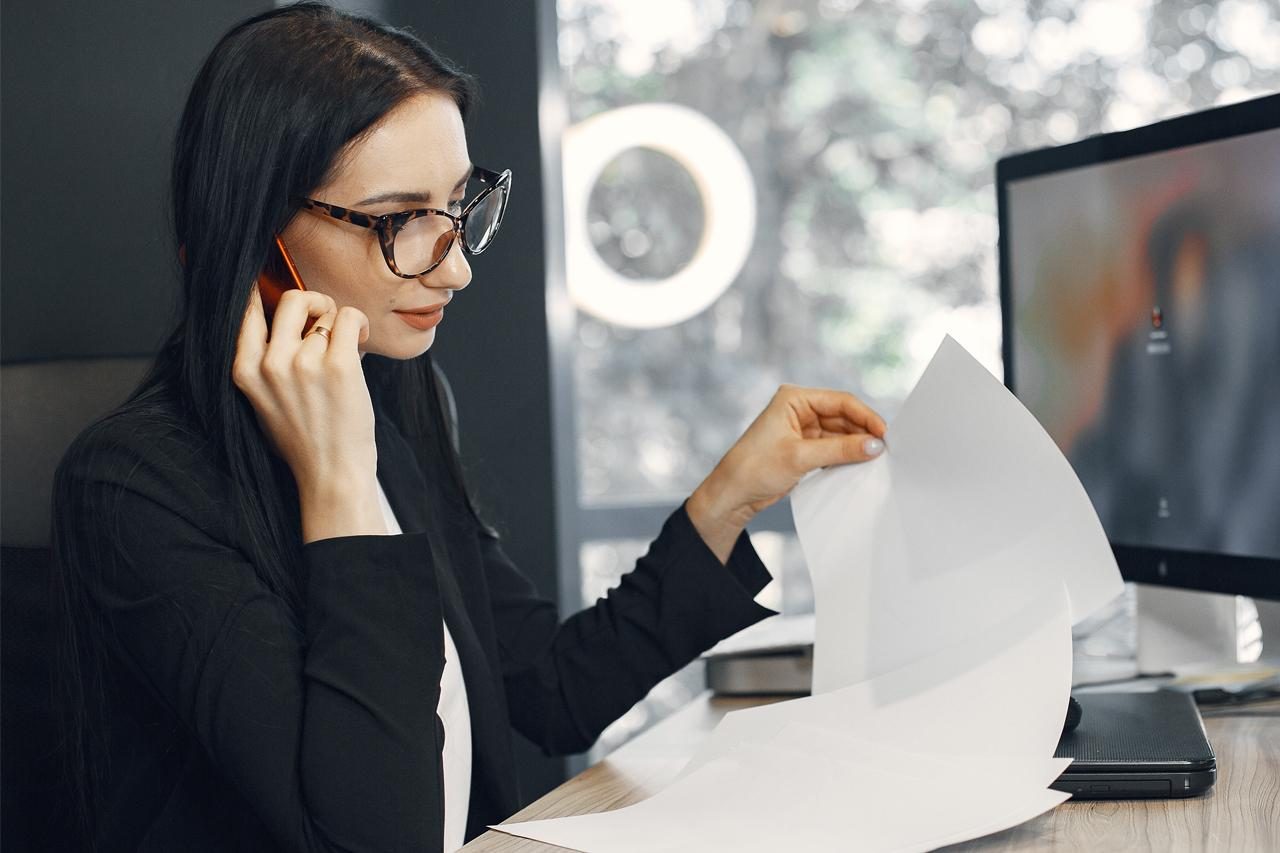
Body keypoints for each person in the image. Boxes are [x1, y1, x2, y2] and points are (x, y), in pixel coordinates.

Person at [50, 4, 887, 851]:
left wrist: (726, 499)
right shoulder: (130, 487)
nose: (455, 264)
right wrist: (338, 485)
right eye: (400, 219)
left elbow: (550, 690)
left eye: (457, 204)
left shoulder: (400, 393)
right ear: (264, 246)